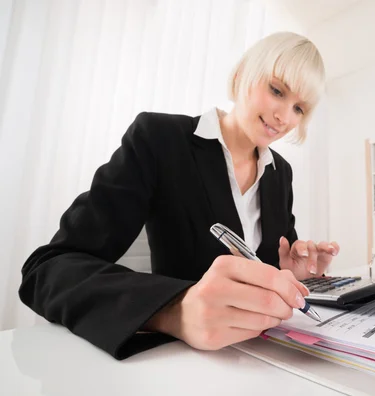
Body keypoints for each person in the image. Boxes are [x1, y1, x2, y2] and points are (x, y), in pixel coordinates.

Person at [18, 31, 339, 360]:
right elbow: (48, 270)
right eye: (276, 90)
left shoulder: (280, 172)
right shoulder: (160, 140)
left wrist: (292, 273)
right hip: (178, 364)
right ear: (243, 74)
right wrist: (175, 309)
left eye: (299, 108)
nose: (284, 117)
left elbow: (261, 273)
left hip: (263, 359)